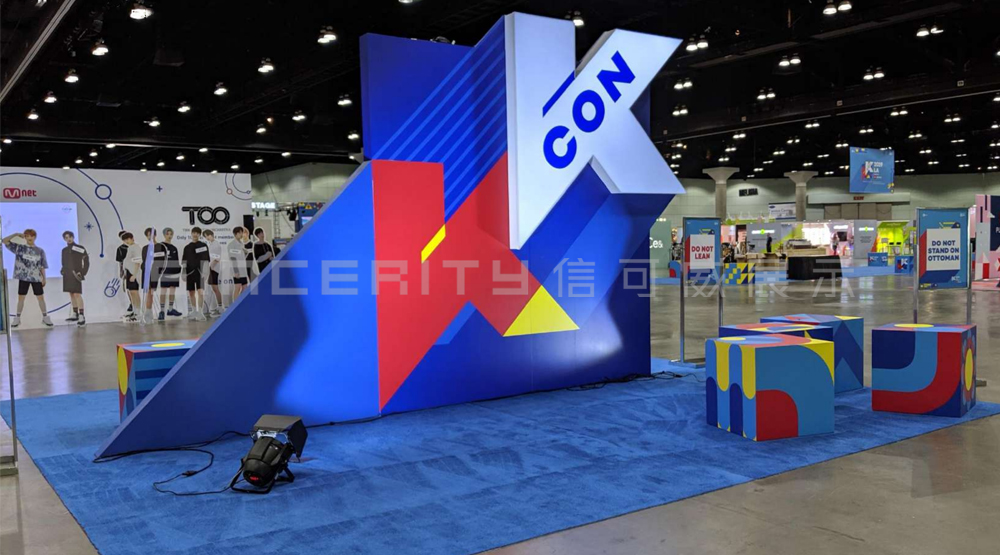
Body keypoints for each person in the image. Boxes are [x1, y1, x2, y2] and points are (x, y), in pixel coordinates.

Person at [2, 229, 52, 327]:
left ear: (35, 237)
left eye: (31, 236)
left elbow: (42, 266)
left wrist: (44, 278)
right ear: (24, 237)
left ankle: (45, 317)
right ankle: (17, 319)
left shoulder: (40, 251)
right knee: (21, 298)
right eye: (27, 236)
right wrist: (16, 234)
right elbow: (4, 241)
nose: (29, 238)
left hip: (36, 277)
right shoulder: (20, 248)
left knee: (40, 297)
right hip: (23, 277)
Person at [60, 231, 90, 326]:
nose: (68, 239)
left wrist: (83, 272)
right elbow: (63, 262)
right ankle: (75, 313)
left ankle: (81, 315)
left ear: (73, 237)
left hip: (76, 274)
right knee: (71, 294)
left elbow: (86, 261)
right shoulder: (64, 250)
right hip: (67, 274)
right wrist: (63, 270)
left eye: (70, 237)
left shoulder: (79, 248)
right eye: (66, 238)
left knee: (77, 294)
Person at [182, 227, 210, 321]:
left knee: (200, 292)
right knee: (191, 292)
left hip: (200, 272)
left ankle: (200, 312)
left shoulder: (203, 246)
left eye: (197, 233)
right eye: (193, 233)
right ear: (191, 233)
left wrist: (206, 272)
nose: (195, 234)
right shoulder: (187, 247)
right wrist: (183, 272)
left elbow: (206, 260)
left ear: (199, 235)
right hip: (189, 272)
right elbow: (184, 261)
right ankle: (194, 311)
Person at [140, 227, 165, 325]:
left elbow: (163, 261)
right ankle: (148, 313)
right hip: (146, 272)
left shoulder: (160, 246)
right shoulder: (145, 248)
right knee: (148, 292)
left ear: (155, 235)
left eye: (151, 234)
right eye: (148, 235)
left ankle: (151, 313)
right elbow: (144, 261)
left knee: (151, 292)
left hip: (156, 272)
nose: (150, 237)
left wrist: (159, 271)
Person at [157, 227, 183, 321]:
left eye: (171, 234)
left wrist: (178, 269)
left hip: (174, 271)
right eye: (167, 234)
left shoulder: (174, 247)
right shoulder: (161, 245)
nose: (169, 236)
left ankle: (170, 309)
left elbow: (176, 260)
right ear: (164, 235)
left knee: (172, 290)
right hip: (165, 271)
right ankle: (161, 311)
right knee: (163, 291)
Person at [121, 232, 142, 324]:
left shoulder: (136, 247)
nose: (126, 241)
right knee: (131, 292)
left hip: (134, 273)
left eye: (127, 239)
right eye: (124, 240)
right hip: (129, 272)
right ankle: (134, 310)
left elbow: (138, 262)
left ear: (132, 238)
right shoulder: (130, 248)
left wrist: (134, 274)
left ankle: (138, 313)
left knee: (135, 292)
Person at [204, 229, 225, 316]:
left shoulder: (216, 244)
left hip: (214, 269)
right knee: (214, 288)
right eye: (206, 237)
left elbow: (217, 258)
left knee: (215, 288)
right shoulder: (211, 244)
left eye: (207, 236)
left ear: (211, 235)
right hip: (211, 268)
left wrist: (211, 267)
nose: (207, 238)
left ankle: (220, 307)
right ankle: (218, 307)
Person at [227, 227, 250, 299]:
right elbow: (232, 258)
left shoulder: (241, 243)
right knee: (238, 287)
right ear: (235, 234)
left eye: (241, 232)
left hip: (243, 269)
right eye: (239, 233)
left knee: (245, 287)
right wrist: (236, 271)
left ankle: (240, 302)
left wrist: (245, 253)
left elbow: (241, 256)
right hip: (237, 269)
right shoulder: (231, 244)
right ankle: (235, 304)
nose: (241, 234)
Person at [115, 230, 134, 315]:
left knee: (135, 289)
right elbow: (120, 262)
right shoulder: (120, 249)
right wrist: (121, 271)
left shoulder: (134, 246)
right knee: (128, 288)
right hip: (127, 270)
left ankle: (136, 304)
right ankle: (132, 303)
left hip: (135, 269)